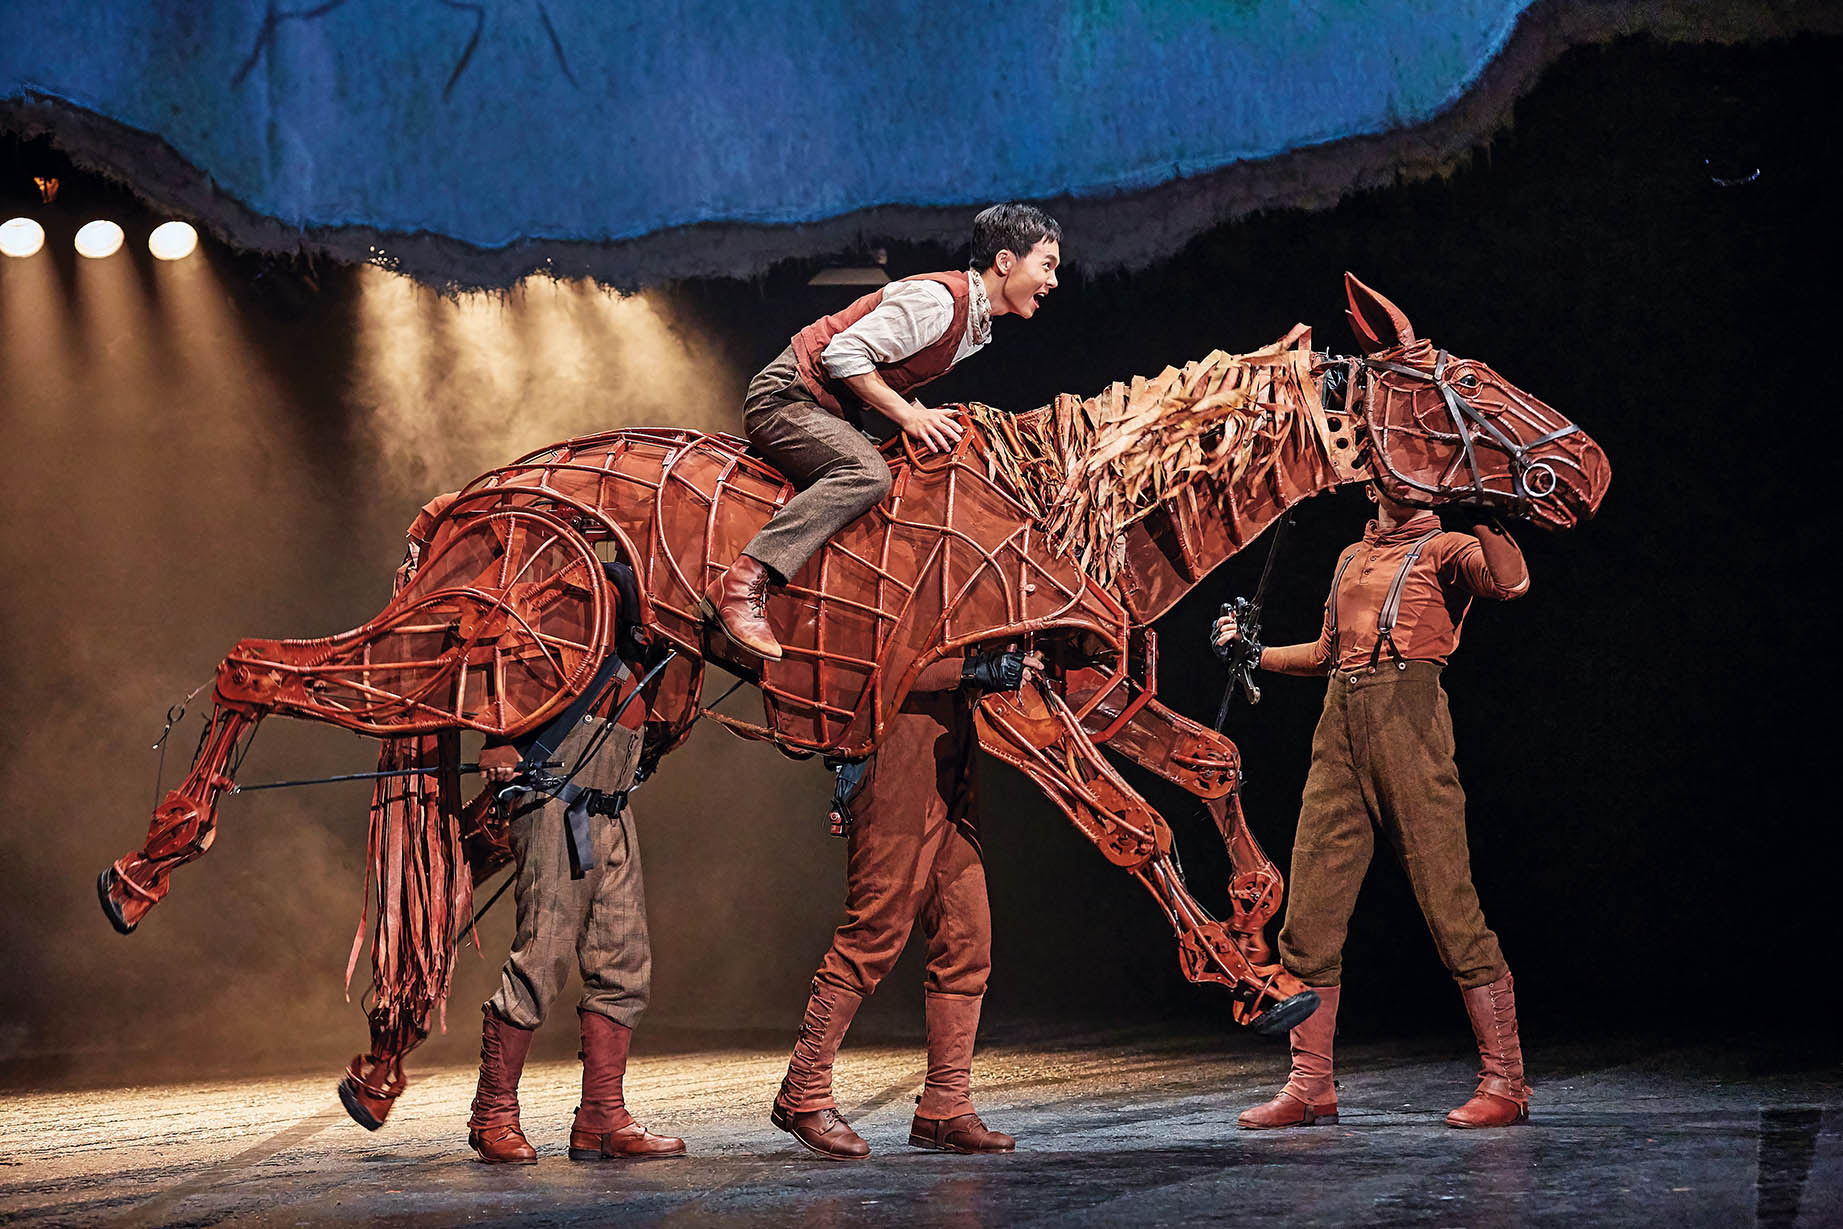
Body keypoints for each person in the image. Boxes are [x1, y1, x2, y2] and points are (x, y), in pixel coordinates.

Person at [1212, 484, 1534, 1130]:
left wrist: (1485, 515)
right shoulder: (1350, 556)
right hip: (1339, 724)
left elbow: (1511, 583)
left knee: (1449, 904)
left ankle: (1506, 1081)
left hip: (1407, 719)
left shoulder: (1445, 547)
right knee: (1310, 912)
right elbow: (1325, 654)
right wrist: (1255, 654)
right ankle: (1310, 1085)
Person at [702, 203, 1062, 661]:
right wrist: (909, 417)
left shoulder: (974, 324)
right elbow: (842, 355)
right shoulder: (939, 302)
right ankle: (741, 583)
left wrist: (919, 413)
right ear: (1006, 261)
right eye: (1047, 265)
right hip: (787, 398)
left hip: (828, 410)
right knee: (867, 474)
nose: (1054, 281)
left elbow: (887, 372)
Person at [771, 649, 1035, 1159]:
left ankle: (945, 1106)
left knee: (966, 939)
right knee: (873, 932)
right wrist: (972, 669)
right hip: (894, 750)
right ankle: (803, 1092)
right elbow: (875, 657)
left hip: (949, 755)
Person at [464, 666, 687, 1163]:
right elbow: (506, 647)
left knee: (623, 963)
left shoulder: (642, 630)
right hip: (555, 804)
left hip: (612, 810)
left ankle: (602, 1118)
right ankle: (493, 1114)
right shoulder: (576, 617)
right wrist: (498, 736)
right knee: (542, 959)